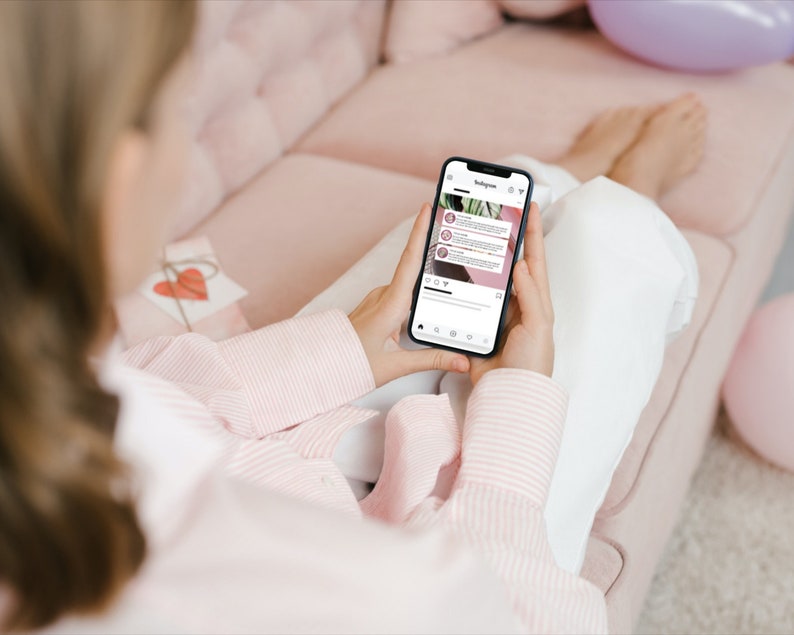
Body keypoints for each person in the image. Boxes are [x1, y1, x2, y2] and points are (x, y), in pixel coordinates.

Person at [0, 1, 705, 633]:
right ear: (119, 176)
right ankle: (626, 191)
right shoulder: (369, 594)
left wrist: (345, 349)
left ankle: (557, 178)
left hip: (298, 448)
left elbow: (165, 389)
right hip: (428, 534)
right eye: (175, 112)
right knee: (610, 247)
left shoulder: (53, 387)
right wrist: (512, 414)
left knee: (439, 257)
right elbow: (521, 616)